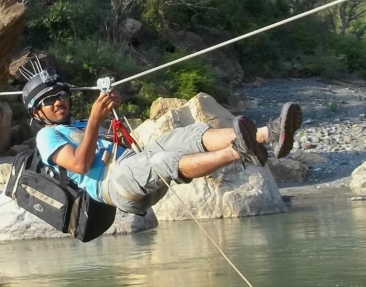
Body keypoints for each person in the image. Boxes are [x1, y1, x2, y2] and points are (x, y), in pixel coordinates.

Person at [22, 67, 302, 216]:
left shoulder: (79, 124)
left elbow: (116, 138)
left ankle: (269, 134)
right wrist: (96, 118)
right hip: (114, 184)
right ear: (37, 112)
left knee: (188, 134)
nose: (58, 102)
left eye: (60, 96)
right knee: (164, 161)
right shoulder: (46, 136)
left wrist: (109, 111)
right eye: (49, 100)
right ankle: (240, 152)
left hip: (132, 164)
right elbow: (81, 164)